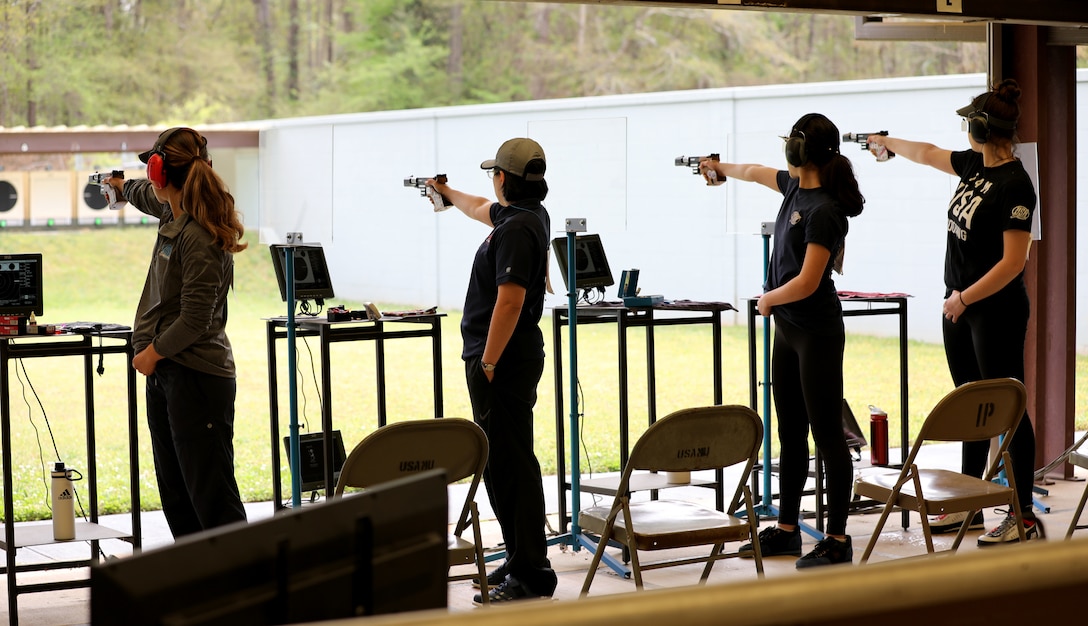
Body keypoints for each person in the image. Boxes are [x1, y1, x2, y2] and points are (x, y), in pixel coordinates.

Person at [867, 79, 1043, 545]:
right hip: (961, 305)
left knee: (1007, 411)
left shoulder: (1016, 185)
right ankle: (968, 506)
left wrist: (965, 299)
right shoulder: (973, 166)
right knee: (971, 404)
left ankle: (1021, 515)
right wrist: (886, 143)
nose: (965, 130)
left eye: (969, 122)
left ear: (981, 129)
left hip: (994, 310)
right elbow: (926, 152)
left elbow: (1013, 263)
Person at [700, 113, 864, 567]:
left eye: (791, 141)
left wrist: (768, 298)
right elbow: (752, 172)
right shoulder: (795, 187)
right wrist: (718, 166)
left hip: (816, 332)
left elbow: (810, 280)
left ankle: (837, 538)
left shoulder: (825, 210)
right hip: (789, 332)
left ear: (803, 151)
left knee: (827, 435)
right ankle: (788, 529)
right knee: (790, 431)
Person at [428, 138, 557, 602]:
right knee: (505, 463)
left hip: (502, 362)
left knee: (512, 466)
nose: (491, 183)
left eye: (494, 174)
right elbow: (480, 206)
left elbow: (511, 299)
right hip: (505, 360)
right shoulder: (522, 216)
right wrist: (446, 191)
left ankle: (530, 573)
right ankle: (522, 557)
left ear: (503, 176)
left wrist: (487, 361)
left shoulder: (518, 229)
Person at [106, 127, 249, 538]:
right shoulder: (175, 208)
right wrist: (119, 186)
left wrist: (150, 354)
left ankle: (243, 586)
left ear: (160, 171)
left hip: (195, 377)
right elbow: (144, 194)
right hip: (170, 373)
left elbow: (195, 318)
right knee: (178, 492)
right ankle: (200, 583)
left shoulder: (199, 234)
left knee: (211, 495)